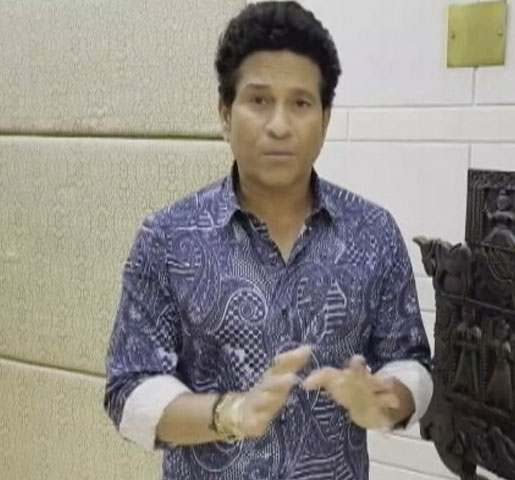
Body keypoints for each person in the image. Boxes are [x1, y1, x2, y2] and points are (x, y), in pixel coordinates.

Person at [103, 2, 432, 479]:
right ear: (225, 113)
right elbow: (128, 391)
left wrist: (385, 401)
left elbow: (410, 361)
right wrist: (231, 413)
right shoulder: (168, 239)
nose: (279, 125)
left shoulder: (373, 232)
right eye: (259, 101)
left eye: (300, 103)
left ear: (325, 118)